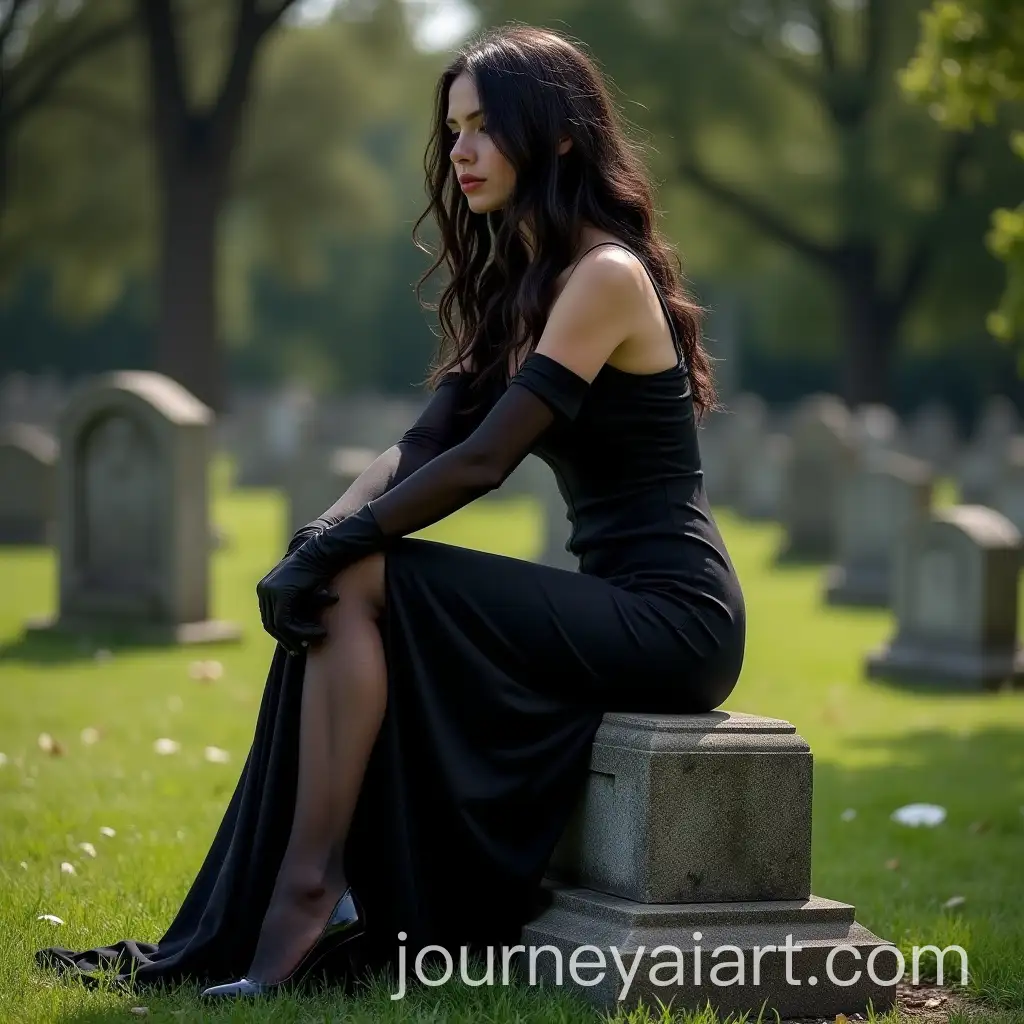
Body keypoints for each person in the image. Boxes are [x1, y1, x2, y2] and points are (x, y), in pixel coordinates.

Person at [36, 22, 746, 1001]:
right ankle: (295, 896)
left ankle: (308, 890)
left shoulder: (605, 276)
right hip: (612, 602)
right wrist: (320, 535)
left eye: (484, 129)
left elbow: (486, 460)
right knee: (344, 570)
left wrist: (345, 548)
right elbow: (416, 448)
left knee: (362, 571)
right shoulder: (520, 281)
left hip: (674, 618)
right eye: (451, 129)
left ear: (561, 139)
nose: (458, 150)